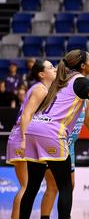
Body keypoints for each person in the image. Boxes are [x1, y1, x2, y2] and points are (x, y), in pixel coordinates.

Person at [18, 50, 89, 219]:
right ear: (83, 66)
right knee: (66, 186)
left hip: (34, 129)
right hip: (52, 133)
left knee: (32, 186)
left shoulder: (59, 81)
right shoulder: (81, 82)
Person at [6, 60, 57, 219]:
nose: (54, 69)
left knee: (25, 186)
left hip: (24, 136)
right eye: (50, 67)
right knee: (26, 187)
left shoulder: (43, 89)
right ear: (42, 74)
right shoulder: (41, 89)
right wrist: (23, 139)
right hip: (23, 137)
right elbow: (27, 114)